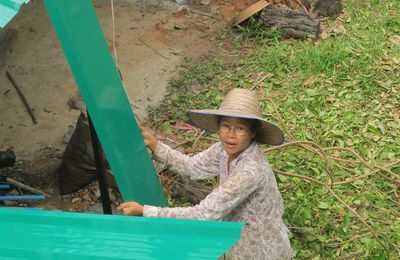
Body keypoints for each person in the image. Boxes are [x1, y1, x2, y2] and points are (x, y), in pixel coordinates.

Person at [118, 88, 292, 259]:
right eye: (225, 126)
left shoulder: (251, 170)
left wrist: (145, 211)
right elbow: (192, 167)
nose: (230, 135)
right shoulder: (223, 150)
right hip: (234, 234)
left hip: (259, 248)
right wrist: (156, 145)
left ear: (252, 133)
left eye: (240, 129)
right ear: (218, 127)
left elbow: (203, 214)